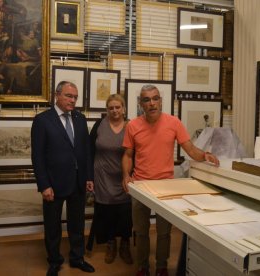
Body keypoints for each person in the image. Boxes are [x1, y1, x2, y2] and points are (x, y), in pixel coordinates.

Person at [122, 84, 220, 276]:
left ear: (160, 100)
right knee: (141, 231)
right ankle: (143, 267)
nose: (152, 103)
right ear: (141, 103)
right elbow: (127, 155)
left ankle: (161, 267)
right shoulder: (133, 125)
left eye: (155, 98)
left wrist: (205, 155)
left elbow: (190, 149)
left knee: (164, 232)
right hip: (141, 185)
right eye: (147, 99)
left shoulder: (173, 123)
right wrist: (126, 175)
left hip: (166, 186)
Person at [31, 81, 95, 276]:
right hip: (53, 184)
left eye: (75, 97)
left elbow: (86, 152)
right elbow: (38, 156)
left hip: (78, 182)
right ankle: (54, 261)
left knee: (77, 224)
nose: (73, 100)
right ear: (57, 95)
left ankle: (77, 258)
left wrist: (88, 177)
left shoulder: (80, 118)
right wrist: (44, 185)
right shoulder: (42, 120)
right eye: (69, 96)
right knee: (52, 226)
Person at [89, 94, 133, 265]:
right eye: (111, 108)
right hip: (102, 177)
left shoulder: (131, 126)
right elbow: (89, 149)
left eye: (118, 107)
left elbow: (137, 152)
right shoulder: (99, 125)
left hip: (125, 177)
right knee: (106, 213)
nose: (114, 110)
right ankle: (111, 244)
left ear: (123, 108)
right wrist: (89, 176)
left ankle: (125, 245)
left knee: (125, 213)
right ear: (107, 109)